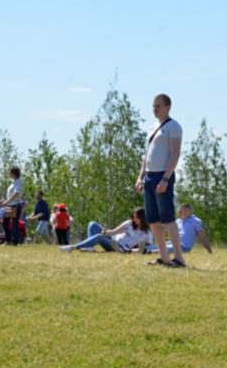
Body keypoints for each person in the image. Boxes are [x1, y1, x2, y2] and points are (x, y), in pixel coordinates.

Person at [135, 94, 186, 268]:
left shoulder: (174, 127)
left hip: (162, 176)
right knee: (153, 220)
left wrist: (165, 178)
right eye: (153, 106)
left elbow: (175, 153)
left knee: (167, 218)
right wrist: (141, 176)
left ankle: (178, 257)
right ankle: (163, 256)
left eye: (158, 106)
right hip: (149, 176)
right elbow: (146, 155)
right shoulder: (152, 128)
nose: (155, 109)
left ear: (167, 107)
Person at [61, 207, 152, 253]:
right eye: (133, 217)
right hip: (113, 238)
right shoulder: (129, 223)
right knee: (92, 224)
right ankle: (90, 248)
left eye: (137, 218)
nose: (134, 219)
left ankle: (73, 247)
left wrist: (131, 250)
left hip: (119, 247)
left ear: (143, 218)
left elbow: (147, 247)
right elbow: (113, 232)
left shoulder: (147, 232)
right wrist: (106, 232)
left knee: (99, 237)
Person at [148, 203, 213, 255]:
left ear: (188, 210)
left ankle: (149, 252)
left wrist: (210, 251)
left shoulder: (196, 221)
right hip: (172, 242)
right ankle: (145, 249)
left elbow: (202, 237)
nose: (178, 212)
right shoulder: (177, 221)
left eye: (180, 210)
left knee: (166, 248)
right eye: (178, 211)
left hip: (183, 246)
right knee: (157, 246)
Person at [0, 166, 24, 246]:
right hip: (10, 205)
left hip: (14, 206)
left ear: (13, 173)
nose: (8, 174)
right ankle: (9, 240)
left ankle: (13, 241)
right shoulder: (15, 182)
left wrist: (6, 202)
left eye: (9, 172)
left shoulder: (18, 182)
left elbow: (16, 193)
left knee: (13, 224)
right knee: (6, 223)